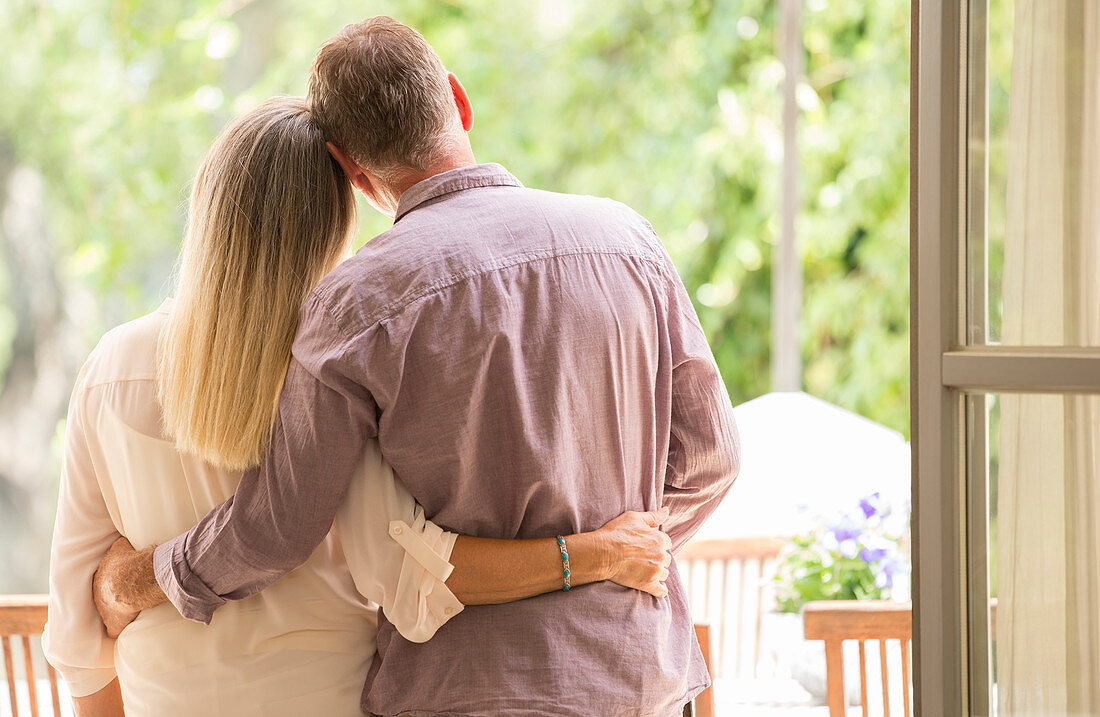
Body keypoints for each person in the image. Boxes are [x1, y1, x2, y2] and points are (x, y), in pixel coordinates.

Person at [94, 16, 740, 717]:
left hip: (468, 692)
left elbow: (278, 525)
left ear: (351, 169)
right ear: (458, 101)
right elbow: (712, 457)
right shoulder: (627, 241)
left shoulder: (356, 304)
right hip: (636, 678)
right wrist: (613, 560)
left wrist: (147, 579)